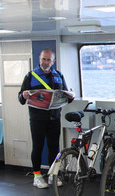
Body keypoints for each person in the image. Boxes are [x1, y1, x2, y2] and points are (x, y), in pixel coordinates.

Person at [18, 48, 74, 188]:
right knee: (37, 146)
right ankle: (37, 176)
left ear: (53, 61)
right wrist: (23, 96)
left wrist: (71, 96)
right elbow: (21, 98)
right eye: (43, 59)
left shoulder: (59, 75)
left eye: (48, 60)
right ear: (39, 59)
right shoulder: (30, 76)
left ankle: (52, 175)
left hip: (54, 117)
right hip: (37, 118)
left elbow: (66, 97)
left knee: (54, 147)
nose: (45, 62)